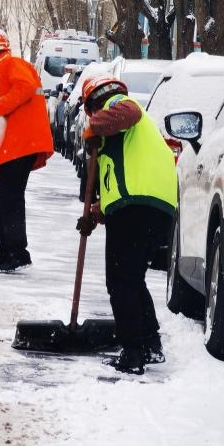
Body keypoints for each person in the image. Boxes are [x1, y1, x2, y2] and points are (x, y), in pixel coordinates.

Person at [76, 75, 177, 374]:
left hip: (135, 206)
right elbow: (118, 181)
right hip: (154, 206)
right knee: (132, 279)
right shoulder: (120, 138)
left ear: (94, 101)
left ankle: (133, 353)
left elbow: (128, 113)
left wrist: (92, 127)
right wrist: (95, 212)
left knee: (119, 282)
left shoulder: (119, 103)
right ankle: (150, 344)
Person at [0, 29, 53, 273]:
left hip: (22, 145)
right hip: (13, 145)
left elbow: (27, 86)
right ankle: (3, 251)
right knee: (4, 199)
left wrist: (0, 108)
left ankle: (18, 253)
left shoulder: (12, 64)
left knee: (11, 199)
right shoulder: (0, 69)